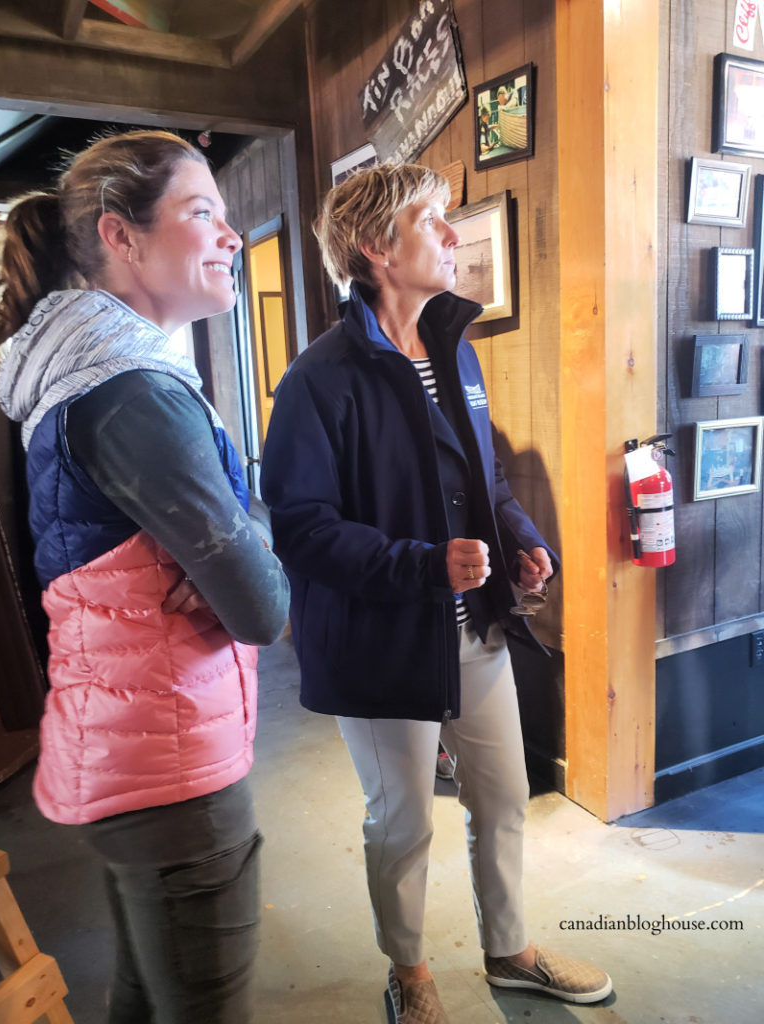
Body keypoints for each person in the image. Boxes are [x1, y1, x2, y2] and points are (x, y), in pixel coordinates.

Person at [260, 162, 612, 1023]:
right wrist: (424, 565)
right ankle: (410, 972)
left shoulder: (457, 349)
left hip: (477, 631)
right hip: (383, 644)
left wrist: (521, 541)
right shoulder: (318, 378)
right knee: (402, 823)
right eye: (433, 220)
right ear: (378, 246)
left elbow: (484, 484)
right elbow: (299, 526)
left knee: (503, 798)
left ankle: (509, 951)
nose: (453, 236)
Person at [0, 129, 290, 1023]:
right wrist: (243, 550)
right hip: (173, 770)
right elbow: (264, 605)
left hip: (125, 740)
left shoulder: (77, 373)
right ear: (121, 237)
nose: (231, 236)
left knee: (142, 996)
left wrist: (228, 549)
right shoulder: (133, 390)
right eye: (203, 212)